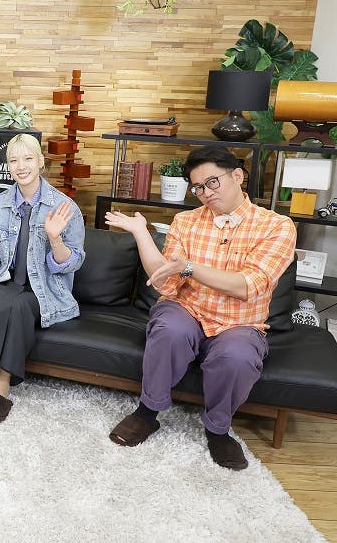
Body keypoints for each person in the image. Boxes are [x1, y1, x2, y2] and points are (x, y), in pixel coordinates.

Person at [105, 145, 296, 470]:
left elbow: (248, 286)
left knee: (237, 356)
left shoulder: (276, 226)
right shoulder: (185, 222)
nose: (206, 193)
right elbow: (166, 282)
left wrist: (190, 268)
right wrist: (141, 233)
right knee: (170, 328)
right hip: (187, 310)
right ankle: (148, 413)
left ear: (238, 176)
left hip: (240, 323)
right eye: (198, 187)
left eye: (212, 182)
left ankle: (218, 428)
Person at [0, 134, 85, 423]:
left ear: (41, 162)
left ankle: (2, 383)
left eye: (28, 159)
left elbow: (71, 264)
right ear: (8, 166)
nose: (21, 166)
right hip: (6, 280)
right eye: (13, 160)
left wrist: (55, 238)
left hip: (43, 288)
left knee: (19, 306)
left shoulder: (64, 207)